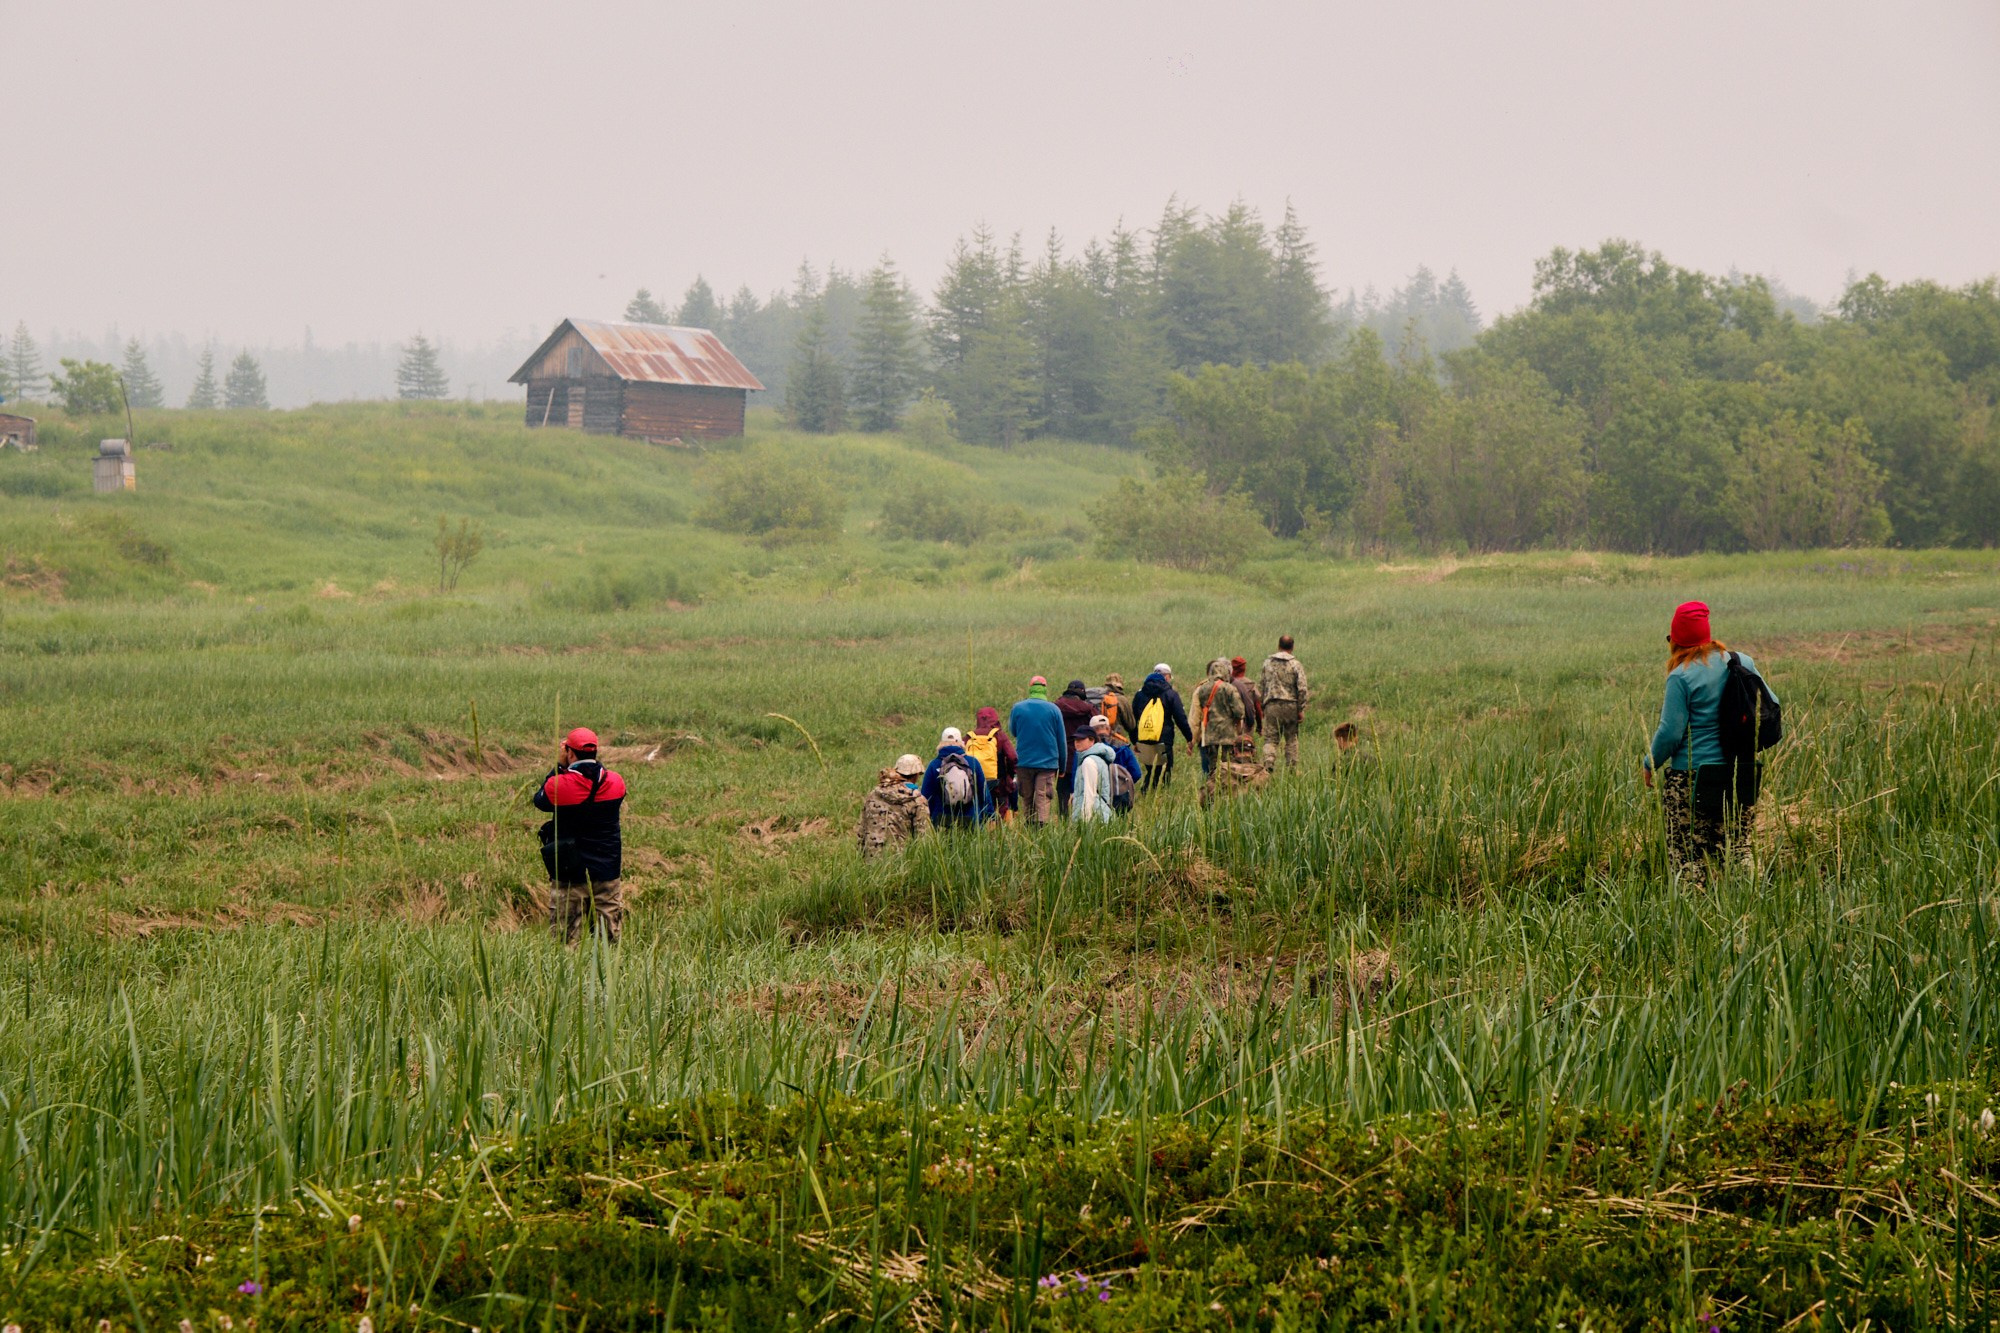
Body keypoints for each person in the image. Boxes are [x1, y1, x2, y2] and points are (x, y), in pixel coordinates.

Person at [1642, 600, 1775, 872]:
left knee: (1689, 861)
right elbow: (1771, 703)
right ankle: (1750, 906)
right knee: (1739, 853)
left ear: (1676, 641)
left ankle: (1694, 913)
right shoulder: (1742, 662)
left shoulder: (1681, 676)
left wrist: (1649, 763)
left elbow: (1670, 733)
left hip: (1693, 780)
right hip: (1741, 774)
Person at [533, 726, 628, 944]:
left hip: (570, 869)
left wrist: (559, 765)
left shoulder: (560, 784)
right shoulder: (615, 782)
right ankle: (609, 975)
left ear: (570, 752)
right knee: (609, 939)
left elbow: (540, 800)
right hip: (608, 868)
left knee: (566, 941)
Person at [1008, 676, 1068, 824]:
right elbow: (1061, 740)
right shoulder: (1054, 710)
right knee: (1043, 798)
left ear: (1030, 687)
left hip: (1024, 762)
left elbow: (1013, 731)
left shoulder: (1018, 708)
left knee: (1027, 798)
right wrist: (1063, 766)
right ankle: (1041, 832)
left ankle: (1029, 830)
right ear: (1045, 688)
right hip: (1047, 764)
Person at [1129, 664, 1193, 792]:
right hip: (1164, 739)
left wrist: (1135, 740)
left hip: (1144, 738)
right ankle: (1160, 797)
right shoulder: (1170, 694)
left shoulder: (1140, 694)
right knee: (1165, 770)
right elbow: (1180, 718)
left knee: (1151, 770)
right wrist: (1189, 738)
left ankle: (1147, 794)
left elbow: (1133, 721)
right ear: (1167, 677)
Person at [858, 754, 931, 858]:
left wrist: (860, 854)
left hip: (872, 856)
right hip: (900, 861)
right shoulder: (917, 800)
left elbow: (862, 828)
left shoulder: (874, 794)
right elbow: (923, 838)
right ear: (916, 775)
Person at [923, 727, 994, 827]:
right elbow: (983, 791)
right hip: (971, 819)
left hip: (942, 819)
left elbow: (926, 795)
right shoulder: (973, 762)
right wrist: (990, 816)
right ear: (961, 742)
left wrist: (928, 818)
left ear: (941, 743)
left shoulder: (934, 765)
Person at [1259, 635, 1310, 772]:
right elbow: (1302, 688)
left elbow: (1262, 685)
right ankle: (1292, 768)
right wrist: (1300, 708)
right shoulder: (1295, 664)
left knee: (1270, 739)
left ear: (1278, 645)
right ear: (1292, 647)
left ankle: (1269, 763)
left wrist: (1263, 706)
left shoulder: (1267, 663)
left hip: (1271, 704)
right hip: (1290, 705)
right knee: (1291, 738)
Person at [1194, 657, 1248, 780]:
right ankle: (1225, 791)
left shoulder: (1202, 689)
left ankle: (1213, 792)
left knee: (1213, 768)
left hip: (1210, 736)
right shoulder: (1229, 688)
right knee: (1227, 767)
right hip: (1227, 735)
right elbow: (1239, 712)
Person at [964, 707, 1018, 819]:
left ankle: (981, 831)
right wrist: (1010, 775)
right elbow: (1012, 757)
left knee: (979, 808)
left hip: (975, 782)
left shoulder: (970, 737)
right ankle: (1002, 832)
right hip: (999, 782)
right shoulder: (1000, 736)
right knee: (1002, 808)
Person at [1053, 680, 1096, 816]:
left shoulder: (1055, 708)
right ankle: (1082, 818)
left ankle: (1064, 819)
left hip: (1062, 758)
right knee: (1084, 790)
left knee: (1062, 791)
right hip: (1084, 756)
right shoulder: (1089, 709)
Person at [1092, 713, 1142, 815]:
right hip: (1120, 794)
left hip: (1096, 796)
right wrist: (1124, 783)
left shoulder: (1088, 750)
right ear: (1109, 729)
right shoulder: (1123, 747)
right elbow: (1136, 773)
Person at [1068, 728, 1116, 824]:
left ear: (1092, 740)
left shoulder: (1089, 761)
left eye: (1081, 739)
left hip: (1093, 817)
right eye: (1075, 740)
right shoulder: (1097, 758)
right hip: (1101, 813)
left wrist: (1085, 820)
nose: (1077, 742)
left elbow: (1090, 794)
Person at [1230, 656, 1263, 739]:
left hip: (1230, 723)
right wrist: (1259, 726)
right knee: (1244, 747)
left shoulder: (1227, 684)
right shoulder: (1250, 685)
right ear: (1244, 669)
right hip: (1246, 724)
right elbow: (1258, 707)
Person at [1098, 673, 1130, 741]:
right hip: (1117, 739)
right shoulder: (1122, 699)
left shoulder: (1099, 697)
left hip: (1098, 738)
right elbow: (1131, 725)